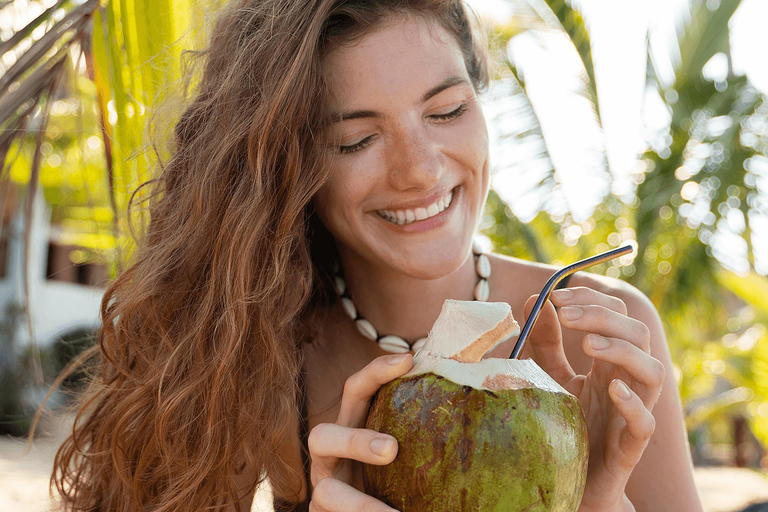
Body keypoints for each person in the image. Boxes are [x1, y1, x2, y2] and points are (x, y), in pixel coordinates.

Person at [51, 1, 703, 511]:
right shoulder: (257, 349)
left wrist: (592, 501)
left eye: (446, 111)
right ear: (287, 168)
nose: (420, 171)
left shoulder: (607, 340)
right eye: (357, 139)